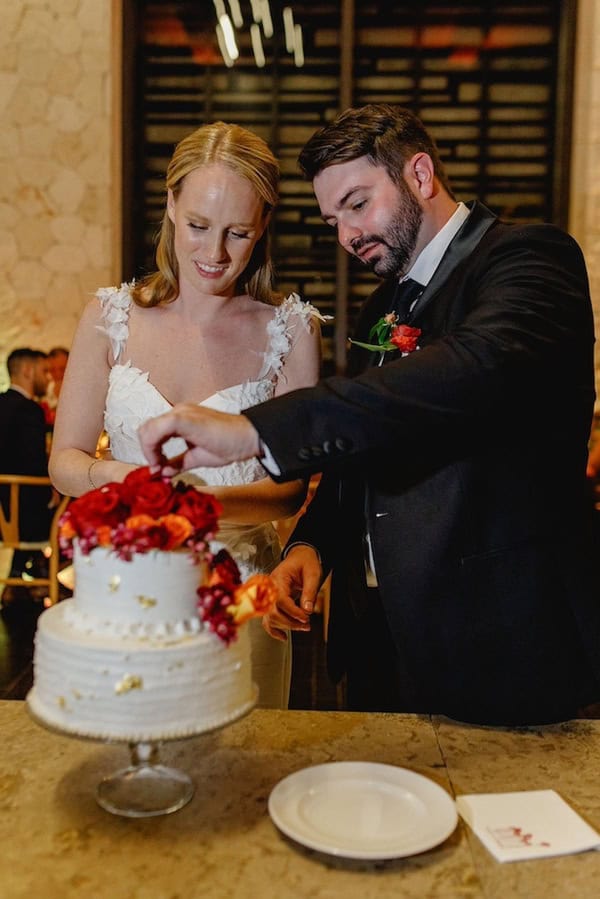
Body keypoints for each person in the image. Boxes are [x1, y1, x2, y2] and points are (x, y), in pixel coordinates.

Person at [138, 103, 600, 727]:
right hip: (379, 642)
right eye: (333, 219)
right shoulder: (381, 307)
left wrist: (255, 430)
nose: (347, 236)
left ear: (419, 173)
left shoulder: (528, 260)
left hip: (503, 638)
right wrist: (313, 543)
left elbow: (467, 371)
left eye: (357, 204)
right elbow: (369, 447)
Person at [49, 121, 323, 709]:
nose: (214, 253)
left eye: (238, 232)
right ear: (171, 204)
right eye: (198, 225)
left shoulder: (291, 330)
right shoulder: (108, 316)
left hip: (243, 591)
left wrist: (197, 508)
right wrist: (132, 485)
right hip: (130, 586)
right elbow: (65, 462)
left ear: (264, 226)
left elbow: (290, 488)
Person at [0, 348, 54, 586]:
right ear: (27, 371)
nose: (49, 378)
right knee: (75, 502)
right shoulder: (29, 410)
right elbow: (34, 465)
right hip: (23, 517)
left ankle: (20, 575)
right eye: (45, 371)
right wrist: (53, 491)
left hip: (3, 511)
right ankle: (46, 573)